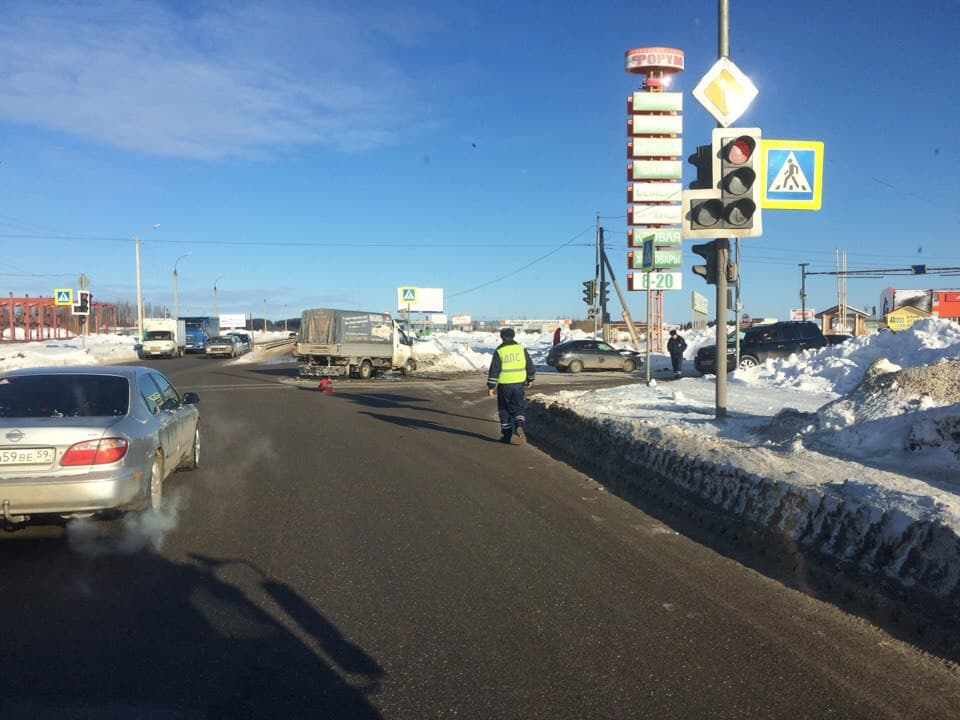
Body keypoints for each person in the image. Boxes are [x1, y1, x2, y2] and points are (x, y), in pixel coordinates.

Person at [487, 327, 535, 445]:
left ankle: (507, 435)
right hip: (519, 384)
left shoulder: (500, 350)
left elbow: (494, 369)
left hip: (504, 385)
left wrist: (491, 386)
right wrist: (530, 379)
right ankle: (519, 425)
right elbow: (529, 365)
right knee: (518, 407)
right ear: (513, 336)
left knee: (504, 409)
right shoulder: (520, 349)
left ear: (501, 337)